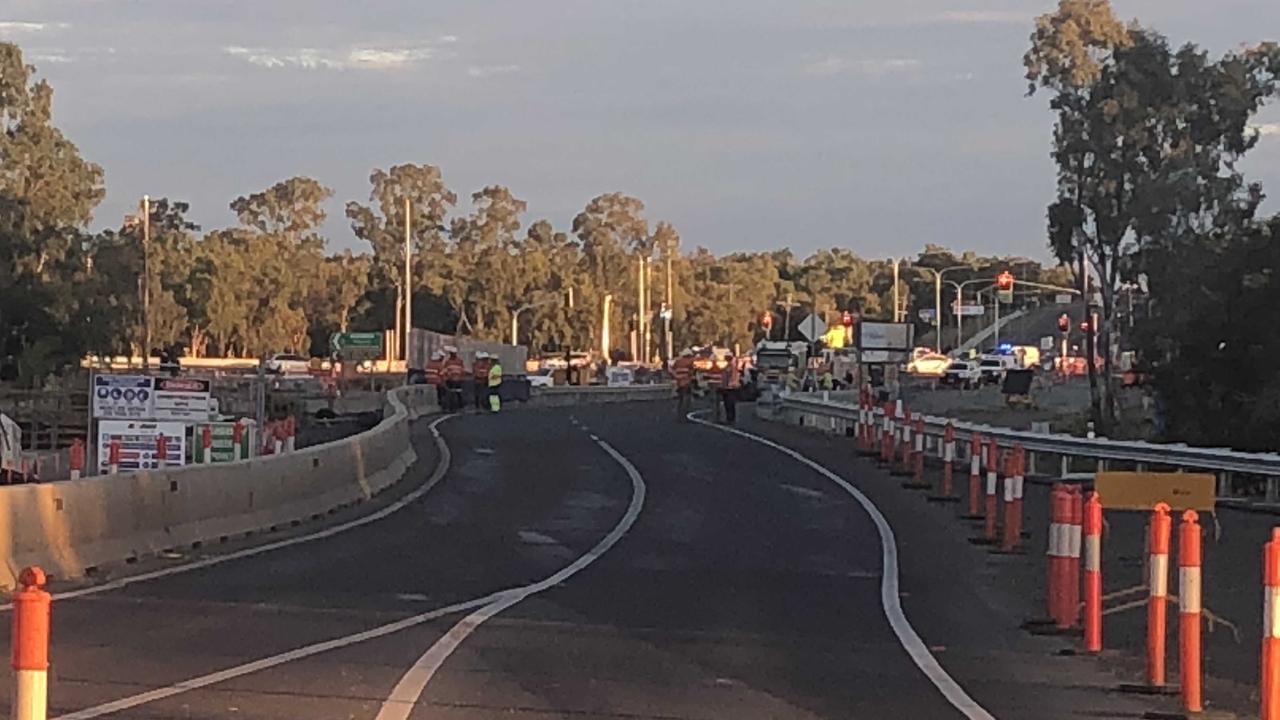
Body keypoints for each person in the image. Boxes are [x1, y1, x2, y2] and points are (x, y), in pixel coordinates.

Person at [721, 352, 743, 425]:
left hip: (730, 388)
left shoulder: (731, 366)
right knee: (729, 404)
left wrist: (725, 386)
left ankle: (730, 419)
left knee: (729, 404)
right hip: (731, 387)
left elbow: (728, 377)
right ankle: (730, 418)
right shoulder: (730, 366)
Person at [672, 349, 694, 420]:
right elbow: (691, 371)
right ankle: (685, 414)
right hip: (686, 381)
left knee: (680, 398)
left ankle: (679, 413)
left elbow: (672, 370)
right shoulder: (690, 362)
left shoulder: (677, 361)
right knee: (687, 398)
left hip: (679, 381)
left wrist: (676, 377)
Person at [443, 347, 465, 412]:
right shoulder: (448, 362)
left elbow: (462, 370)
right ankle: (454, 407)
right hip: (452, 380)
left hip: (456, 380)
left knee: (457, 393)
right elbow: (445, 371)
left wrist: (462, 378)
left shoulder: (457, 361)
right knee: (453, 394)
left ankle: (459, 406)